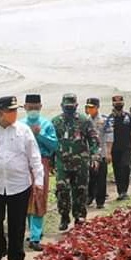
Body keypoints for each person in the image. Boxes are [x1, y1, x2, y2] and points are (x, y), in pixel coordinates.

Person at [0, 96, 44, 260]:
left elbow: (35, 157)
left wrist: (38, 181)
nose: (14, 114)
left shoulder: (24, 131)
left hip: (19, 185)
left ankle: (16, 258)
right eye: (10, 110)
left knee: (17, 224)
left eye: (15, 110)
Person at [51, 93, 100, 230]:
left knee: (80, 190)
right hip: (62, 163)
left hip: (81, 163)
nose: (69, 110)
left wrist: (95, 156)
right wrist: (50, 162)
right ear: (61, 106)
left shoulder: (84, 121)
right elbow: (51, 143)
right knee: (62, 190)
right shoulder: (55, 122)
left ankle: (79, 216)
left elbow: (93, 140)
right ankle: (64, 216)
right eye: (66, 107)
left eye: (72, 107)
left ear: (76, 106)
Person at [21, 94, 58, 251]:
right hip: (23, 165)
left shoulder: (46, 124)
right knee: (26, 198)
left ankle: (35, 237)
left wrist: (39, 135)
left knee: (39, 197)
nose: (33, 110)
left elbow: (54, 145)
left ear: (41, 107)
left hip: (42, 163)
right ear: (25, 107)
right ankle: (34, 232)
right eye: (30, 107)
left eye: (36, 107)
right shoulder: (20, 125)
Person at [105, 95, 131, 200]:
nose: (118, 105)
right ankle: (120, 192)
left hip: (126, 147)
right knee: (117, 169)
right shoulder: (110, 118)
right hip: (114, 148)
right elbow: (107, 134)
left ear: (123, 104)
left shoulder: (128, 116)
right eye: (116, 103)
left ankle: (125, 191)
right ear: (113, 104)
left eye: (120, 103)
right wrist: (108, 151)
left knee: (125, 166)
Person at [85, 98, 112, 208]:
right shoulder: (85, 120)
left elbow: (110, 136)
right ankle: (90, 196)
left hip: (101, 153)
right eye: (88, 107)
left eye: (92, 107)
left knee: (101, 177)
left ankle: (100, 201)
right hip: (89, 154)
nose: (90, 109)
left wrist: (109, 152)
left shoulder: (104, 120)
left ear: (97, 107)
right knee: (90, 177)